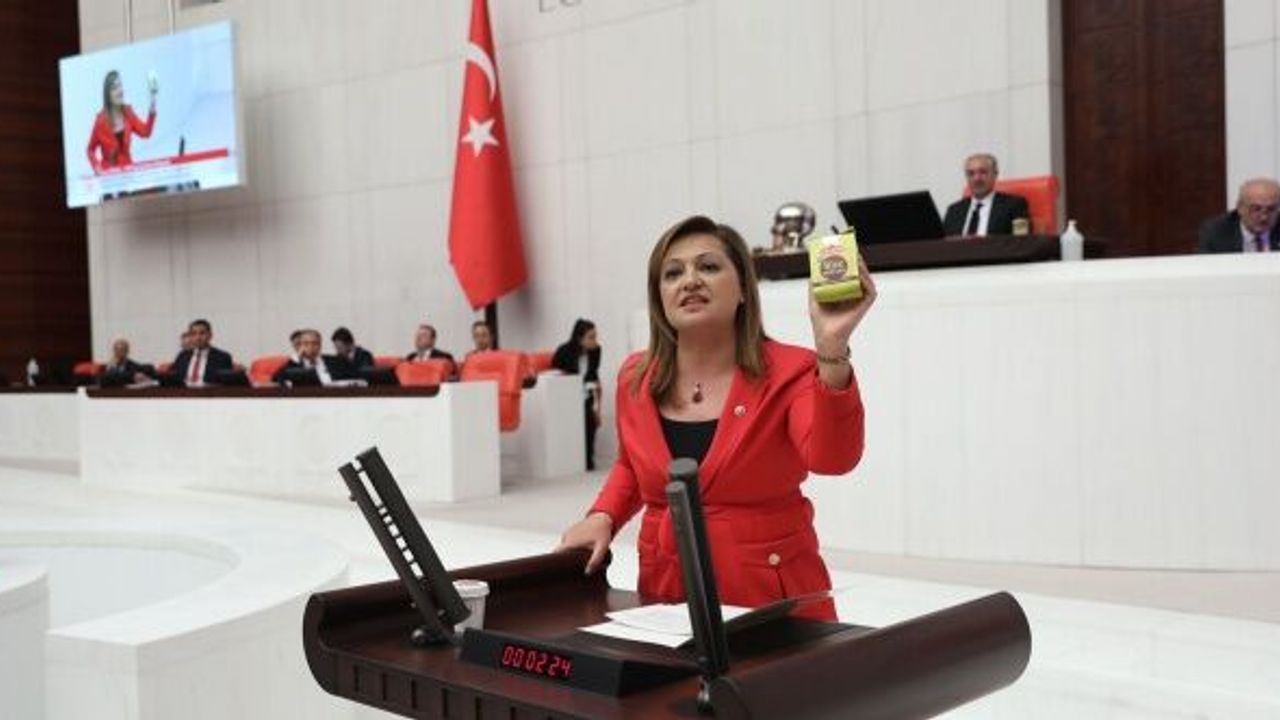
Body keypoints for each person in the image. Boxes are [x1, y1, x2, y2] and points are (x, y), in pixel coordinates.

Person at [556, 215, 875, 620]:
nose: (690, 280)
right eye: (673, 273)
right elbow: (632, 467)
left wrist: (832, 348)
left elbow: (833, 460)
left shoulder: (792, 369)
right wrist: (603, 516)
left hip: (772, 602)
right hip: (665, 594)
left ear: (743, 288)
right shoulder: (635, 376)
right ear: (660, 297)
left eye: (708, 266)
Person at [552, 319, 603, 471]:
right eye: (591, 337)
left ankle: (588, 460)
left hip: (585, 394)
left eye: (595, 336)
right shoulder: (564, 351)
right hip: (565, 397)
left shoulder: (596, 351)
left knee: (590, 418)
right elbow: (555, 375)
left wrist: (597, 408)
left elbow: (594, 376)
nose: (595, 341)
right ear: (579, 338)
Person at [941, 153, 1030, 237]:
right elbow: (943, 244)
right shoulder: (954, 211)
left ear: (995, 174)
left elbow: (1021, 242)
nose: (977, 179)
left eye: (983, 172)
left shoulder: (1014, 206)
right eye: (971, 173)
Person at [86, 70, 157, 173]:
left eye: (120, 86)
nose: (119, 91)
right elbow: (90, 150)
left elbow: (146, 132)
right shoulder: (100, 121)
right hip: (108, 176)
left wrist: (153, 103)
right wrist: (96, 166)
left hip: (128, 173)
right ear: (108, 95)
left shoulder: (128, 112)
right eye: (114, 88)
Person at [1198, 178, 1280, 253]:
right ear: (1240, 208)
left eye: (1271, 209)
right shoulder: (1216, 232)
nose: (1264, 217)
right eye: (1256, 209)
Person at [272, 329, 355, 385]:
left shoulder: (335, 361)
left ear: (320, 345)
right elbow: (276, 379)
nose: (311, 347)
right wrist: (297, 357)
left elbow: (354, 378)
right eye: (306, 343)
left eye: (315, 343)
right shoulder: (295, 365)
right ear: (300, 346)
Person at [170, 319, 234, 386]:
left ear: (210, 335)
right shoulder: (182, 356)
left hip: (209, 391)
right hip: (184, 391)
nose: (198, 338)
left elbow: (226, 384)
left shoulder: (222, 357)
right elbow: (174, 379)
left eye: (202, 333)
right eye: (194, 334)